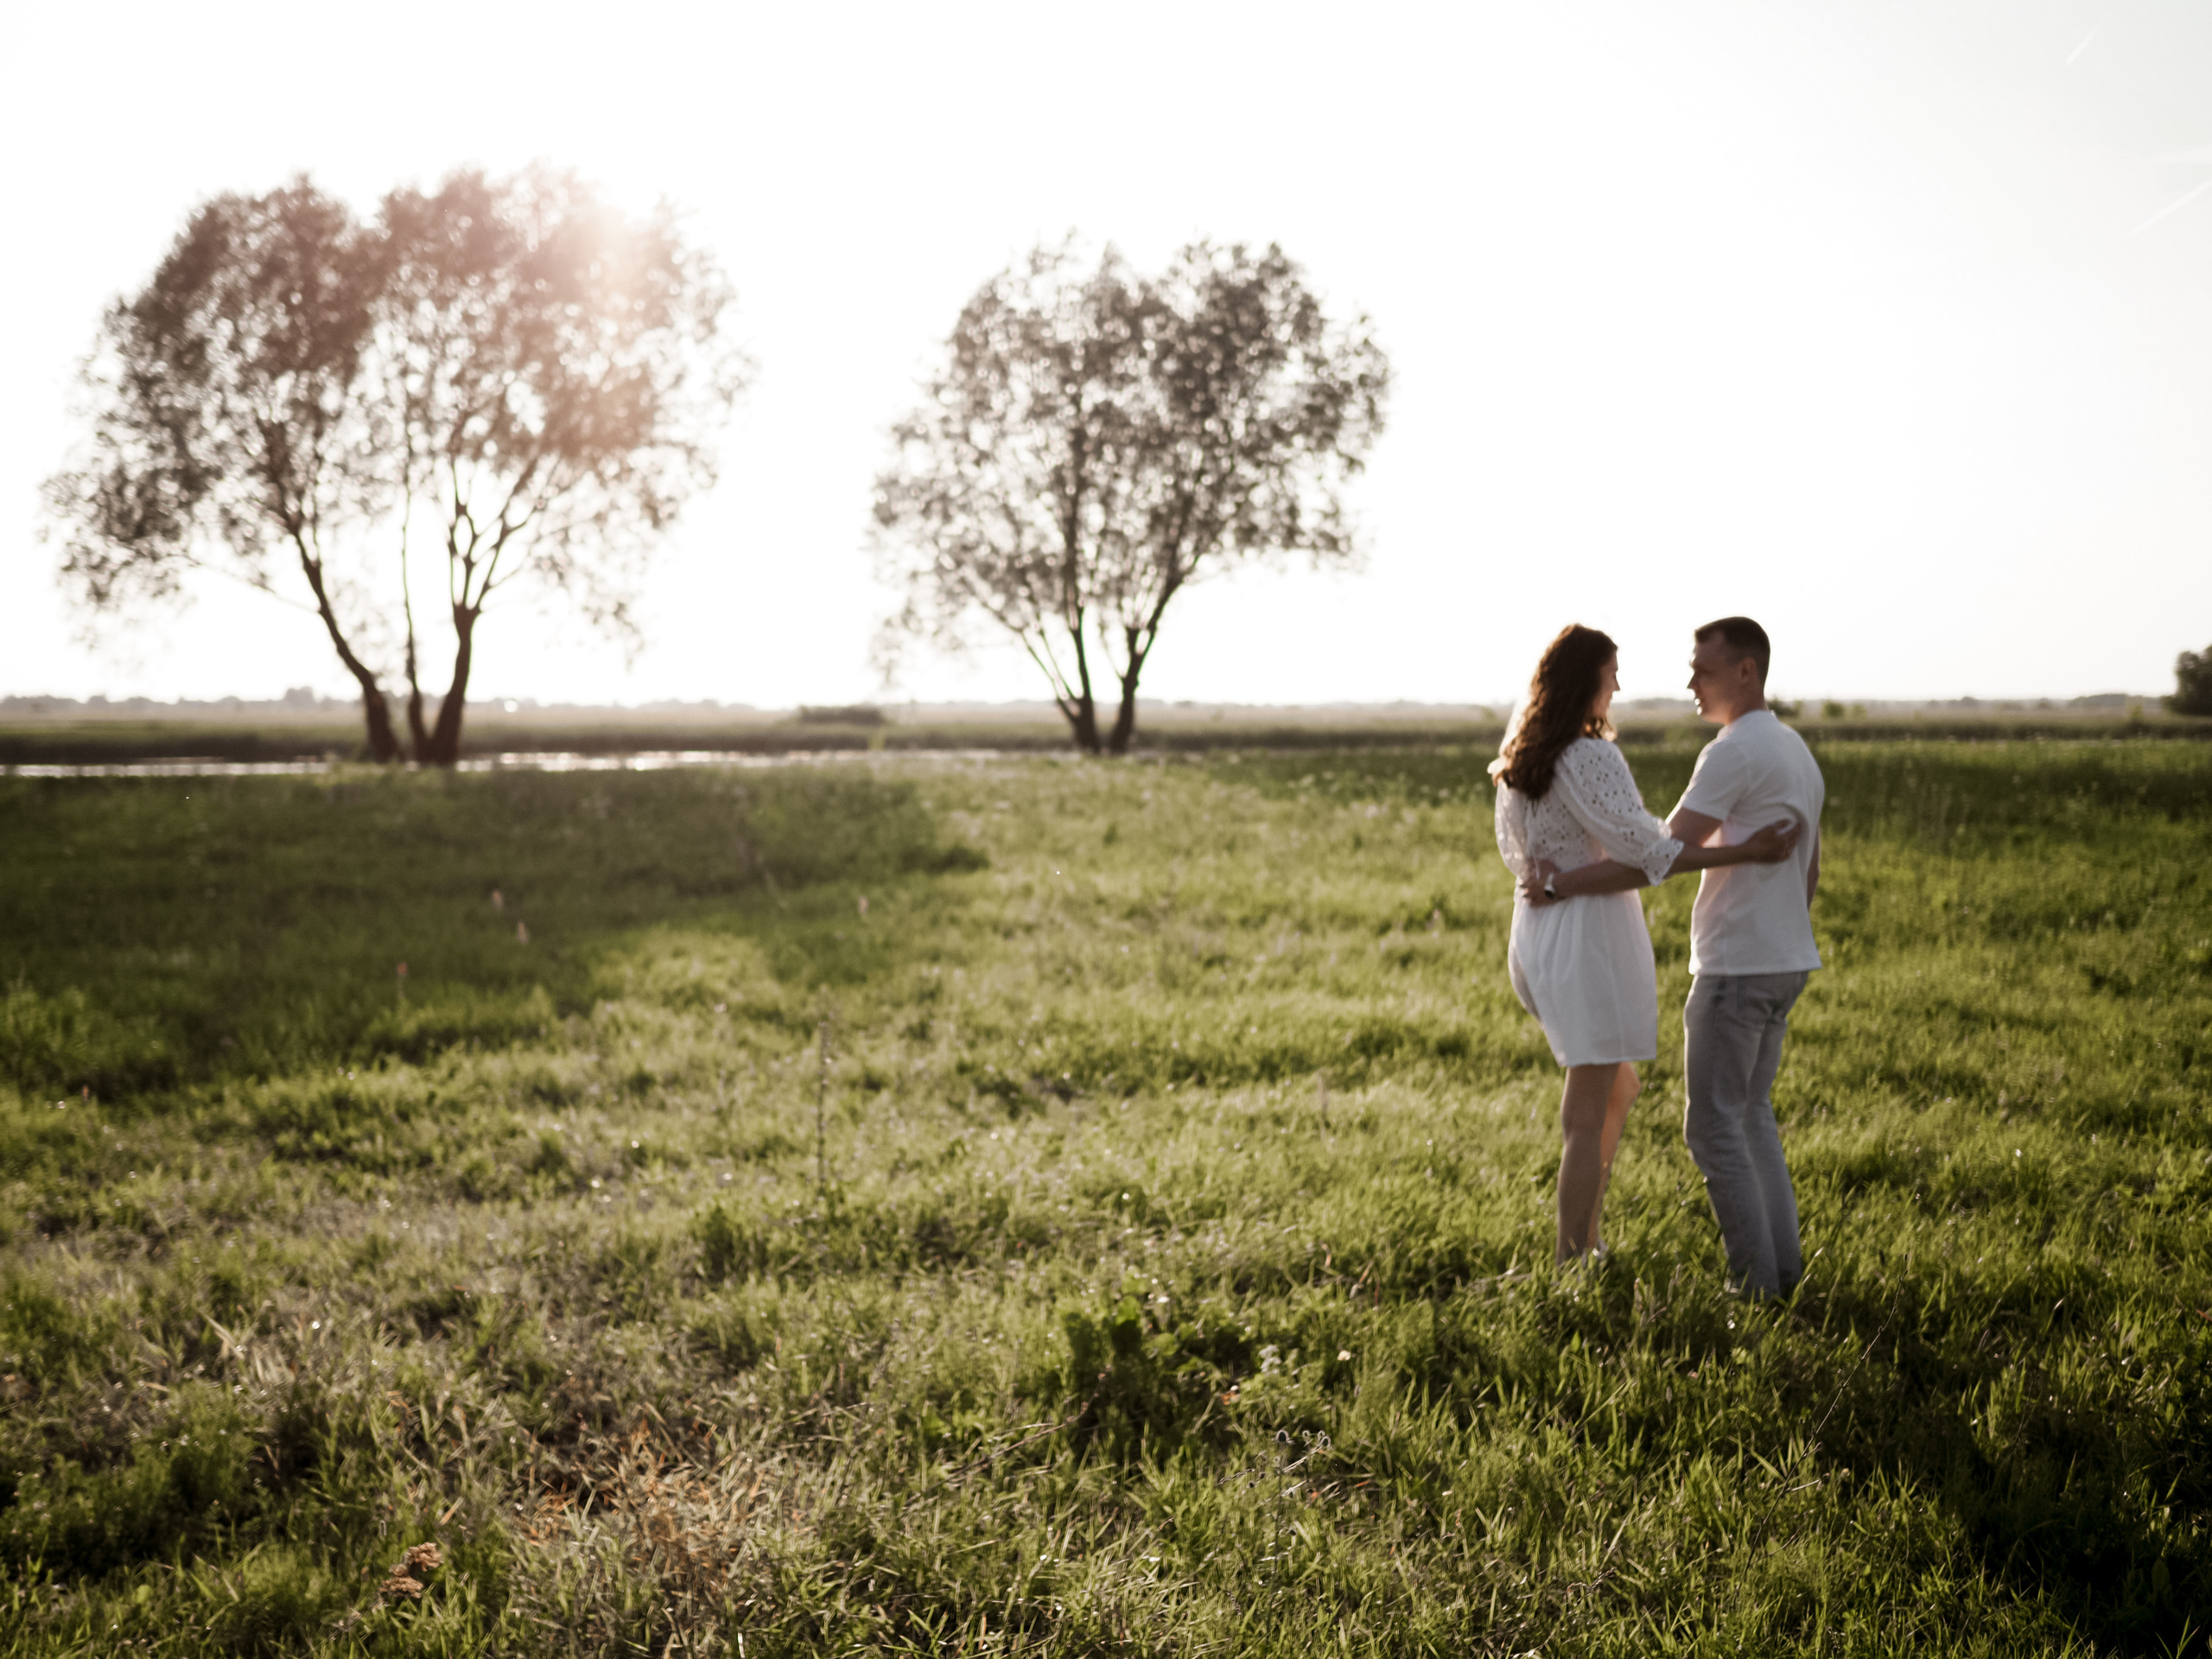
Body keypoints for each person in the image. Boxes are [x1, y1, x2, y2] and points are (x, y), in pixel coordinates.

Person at [1526, 617, 1823, 1298]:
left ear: (1745, 672)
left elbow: (1659, 855)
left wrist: (1562, 882)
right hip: (1786, 960)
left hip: (1737, 966)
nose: (1691, 681)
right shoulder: (1793, 748)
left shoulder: (1732, 753)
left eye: (1704, 668)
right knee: (1752, 1117)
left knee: (1713, 1127)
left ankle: (1755, 1289)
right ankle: (1783, 1275)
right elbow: (1810, 868)